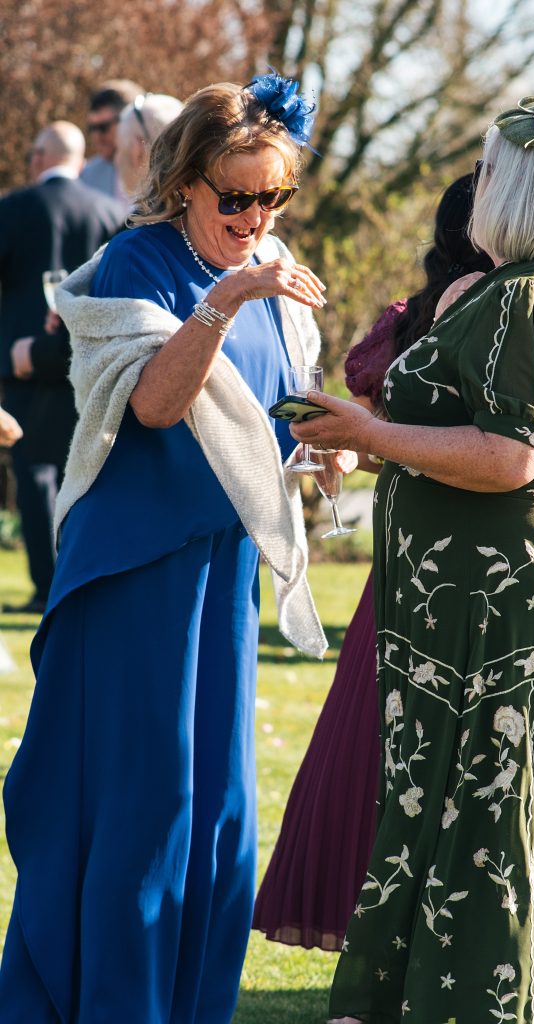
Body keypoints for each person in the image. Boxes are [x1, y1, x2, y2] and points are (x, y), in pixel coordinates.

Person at [293, 80, 534, 1024]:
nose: (479, 186)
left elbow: (510, 458)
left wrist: (372, 435)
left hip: (501, 613)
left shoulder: (531, 297)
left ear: (522, 189)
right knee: (504, 821)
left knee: (484, 829)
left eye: (494, 171)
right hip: (526, 599)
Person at [0, 73, 328, 1024]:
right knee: (147, 808)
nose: (255, 214)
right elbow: (153, 403)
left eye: (273, 196)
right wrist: (226, 297)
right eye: (236, 196)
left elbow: (267, 410)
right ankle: (113, 1003)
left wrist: (322, 442)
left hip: (220, 571)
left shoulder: (270, 270)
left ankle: (191, 1006)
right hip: (136, 572)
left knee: (221, 813)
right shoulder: (132, 263)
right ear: (185, 180)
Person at [253, 171, 494, 951]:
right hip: (422, 556)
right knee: (387, 741)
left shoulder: (524, 312)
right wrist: (346, 442)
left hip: (464, 558)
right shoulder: (418, 320)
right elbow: (387, 440)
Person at [0, 121, 123, 614]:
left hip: (24, 362)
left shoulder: (13, 209)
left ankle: (45, 584)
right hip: (89, 365)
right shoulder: (113, 215)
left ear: (38, 157)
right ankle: (82, 575)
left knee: (34, 476)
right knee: (88, 471)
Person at [81, 78, 144, 202]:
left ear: (130, 122)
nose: (96, 136)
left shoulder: (160, 173)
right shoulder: (88, 176)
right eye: (92, 128)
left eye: (103, 127)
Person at [115, 92, 184, 200]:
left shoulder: (140, 215)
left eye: (119, 149)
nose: (116, 160)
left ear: (137, 152)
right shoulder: (198, 206)